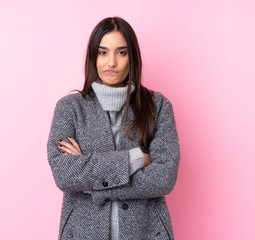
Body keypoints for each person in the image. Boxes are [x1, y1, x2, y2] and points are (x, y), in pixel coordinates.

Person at [47, 17, 180, 240]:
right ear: (93, 57)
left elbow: (163, 178)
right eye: (102, 52)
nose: (111, 62)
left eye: (121, 52)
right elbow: (65, 174)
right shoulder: (69, 108)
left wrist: (92, 182)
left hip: (146, 233)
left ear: (132, 57)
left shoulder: (158, 106)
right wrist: (135, 159)